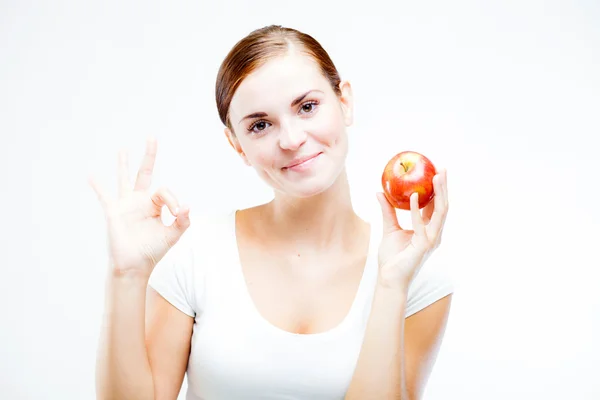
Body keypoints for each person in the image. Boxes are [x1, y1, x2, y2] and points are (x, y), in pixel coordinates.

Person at [90, 24, 453, 400]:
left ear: (344, 101)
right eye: (261, 125)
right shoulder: (196, 252)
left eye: (307, 107)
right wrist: (127, 275)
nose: (291, 139)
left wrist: (392, 284)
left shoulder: (418, 272)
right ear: (237, 146)